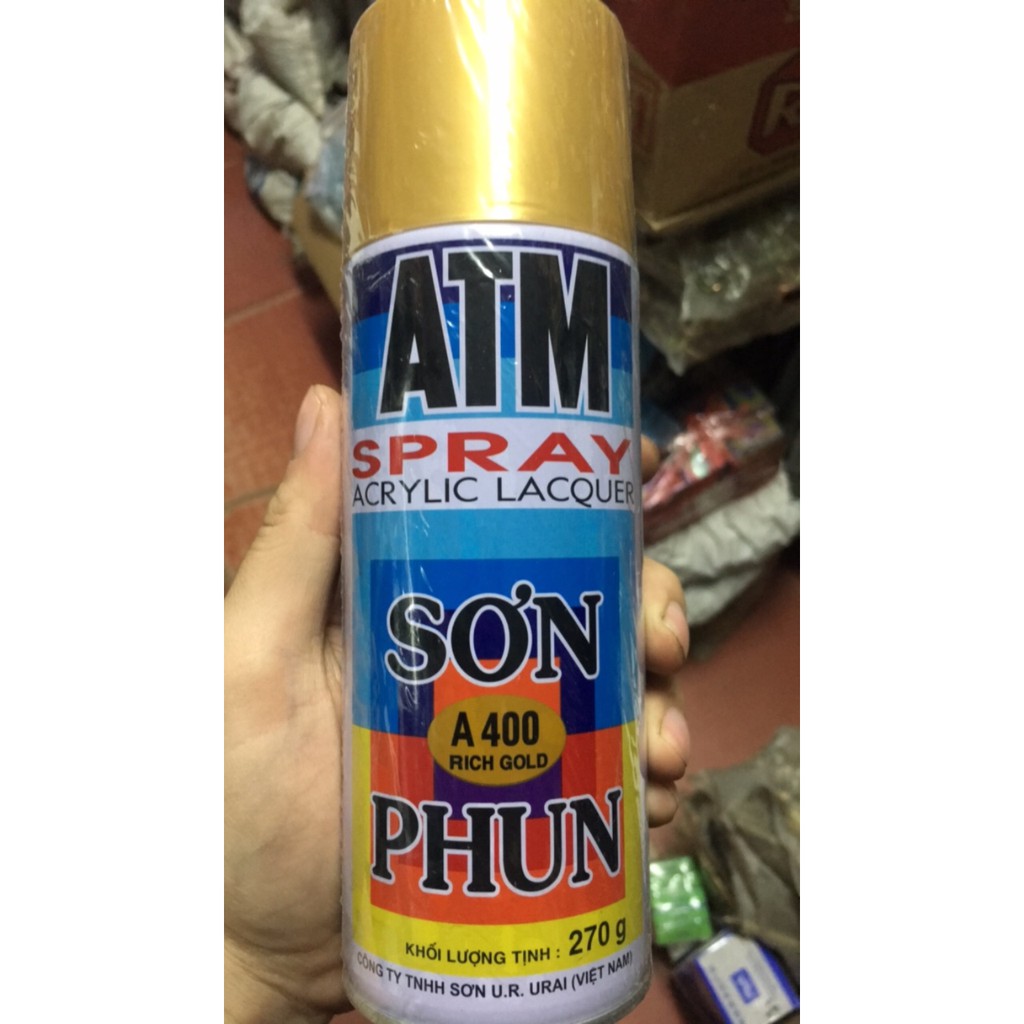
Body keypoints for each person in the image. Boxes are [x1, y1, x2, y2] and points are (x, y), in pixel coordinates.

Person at [225, 385, 692, 1024]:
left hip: (575, 949)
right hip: (387, 944)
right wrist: (245, 957)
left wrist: (248, 967)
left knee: (588, 634)